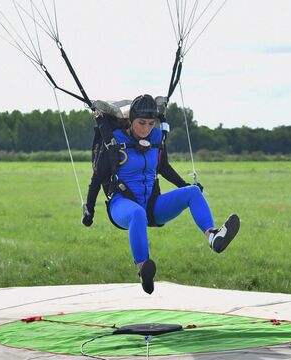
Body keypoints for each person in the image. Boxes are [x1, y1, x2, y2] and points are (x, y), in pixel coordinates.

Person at [82, 94, 240, 294]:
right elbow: (98, 178)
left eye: (150, 123)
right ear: (131, 121)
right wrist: (89, 211)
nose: (146, 129)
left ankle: (213, 237)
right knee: (137, 213)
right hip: (121, 204)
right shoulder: (114, 142)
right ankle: (143, 270)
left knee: (191, 192)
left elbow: (163, 167)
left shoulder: (156, 139)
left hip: (151, 205)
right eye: (141, 123)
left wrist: (183, 185)